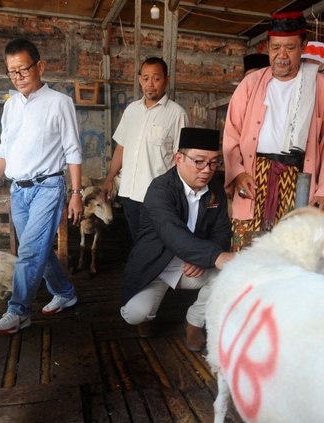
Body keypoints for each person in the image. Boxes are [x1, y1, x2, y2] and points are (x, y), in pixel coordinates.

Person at [0, 38, 83, 335]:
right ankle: (65, 293)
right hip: (19, 190)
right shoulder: (11, 106)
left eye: (23, 69)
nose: (18, 77)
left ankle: (18, 311)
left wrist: (77, 194)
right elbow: (3, 149)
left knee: (29, 251)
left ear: (39, 66)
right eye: (12, 72)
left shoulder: (60, 102)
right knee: (40, 249)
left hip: (48, 187)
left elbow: (73, 150)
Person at [120, 127, 234, 351]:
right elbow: (171, 232)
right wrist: (212, 255)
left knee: (229, 274)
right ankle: (147, 316)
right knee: (134, 314)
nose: (207, 170)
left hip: (192, 263)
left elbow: (221, 231)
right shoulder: (159, 189)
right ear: (179, 158)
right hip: (156, 265)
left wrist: (203, 258)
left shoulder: (215, 190)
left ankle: (195, 321)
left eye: (213, 163)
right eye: (199, 161)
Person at [223, 11, 324, 251]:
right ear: (267, 46)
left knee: (293, 257)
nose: (281, 56)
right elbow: (231, 135)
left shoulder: (318, 85)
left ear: (303, 46)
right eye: (276, 47)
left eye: (289, 47)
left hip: (301, 179)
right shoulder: (251, 83)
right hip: (253, 178)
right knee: (248, 256)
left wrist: (322, 192)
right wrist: (238, 173)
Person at [102, 57, 188, 241]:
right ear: (140, 79)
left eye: (156, 78)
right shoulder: (131, 111)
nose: (150, 84)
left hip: (159, 197)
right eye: (146, 78)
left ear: (166, 80)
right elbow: (121, 148)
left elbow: (182, 159)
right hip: (130, 194)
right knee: (137, 241)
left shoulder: (177, 114)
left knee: (157, 243)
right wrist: (109, 179)